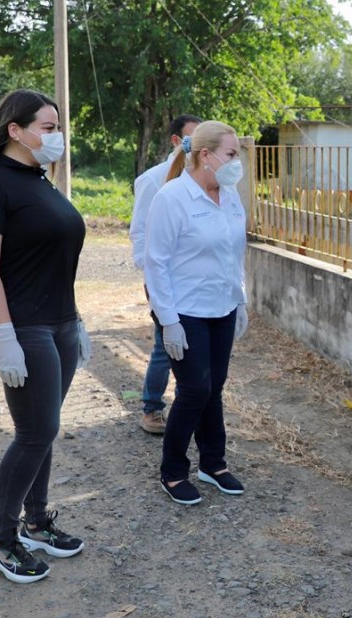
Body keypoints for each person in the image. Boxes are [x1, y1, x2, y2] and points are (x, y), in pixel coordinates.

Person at [0, 89, 90, 583]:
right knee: (35, 432)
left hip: (58, 320)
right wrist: (5, 337)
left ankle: (36, 522)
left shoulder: (42, 179)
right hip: (19, 324)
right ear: (15, 130)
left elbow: (55, 260)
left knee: (47, 426)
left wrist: (77, 320)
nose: (55, 136)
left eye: (57, 127)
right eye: (48, 127)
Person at [144, 120, 248, 505]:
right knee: (194, 390)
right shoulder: (172, 198)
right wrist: (168, 320)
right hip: (184, 309)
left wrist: (241, 301)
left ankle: (213, 463)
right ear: (206, 155)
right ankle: (172, 471)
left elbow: (236, 252)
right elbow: (156, 263)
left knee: (215, 387)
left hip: (221, 306)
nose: (237, 162)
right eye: (232, 154)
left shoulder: (230, 195)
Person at [129, 114, 203, 434]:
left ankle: (190, 403)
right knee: (164, 342)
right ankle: (152, 407)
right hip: (165, 277)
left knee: (195, 343)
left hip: (195, 277)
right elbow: (141, 232)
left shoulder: (201, 178)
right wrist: (152, 279)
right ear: (177, 141)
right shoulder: (153, 179)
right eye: (193, 140)